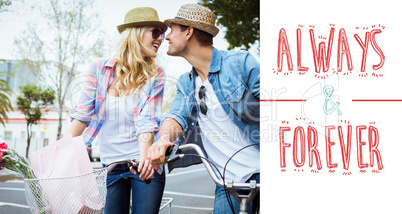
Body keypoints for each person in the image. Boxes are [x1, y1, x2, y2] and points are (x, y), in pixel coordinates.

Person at [148, 4, 260, 213]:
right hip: (227, 183)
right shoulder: (186, 83)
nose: (167, 37)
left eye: (172, 30)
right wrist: (163, 139)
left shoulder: (240, 64)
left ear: (189, 32)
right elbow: (176, 116)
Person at [68, 7, 166, 214]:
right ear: (136, 34)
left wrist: (144, 161)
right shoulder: (99, 69)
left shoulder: (156, 75)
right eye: (155, 32)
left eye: (162, 33)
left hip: (144, 162)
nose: (161, 39)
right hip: (110, 167)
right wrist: (61, 153)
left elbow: (147, 121)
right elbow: (82, 115)